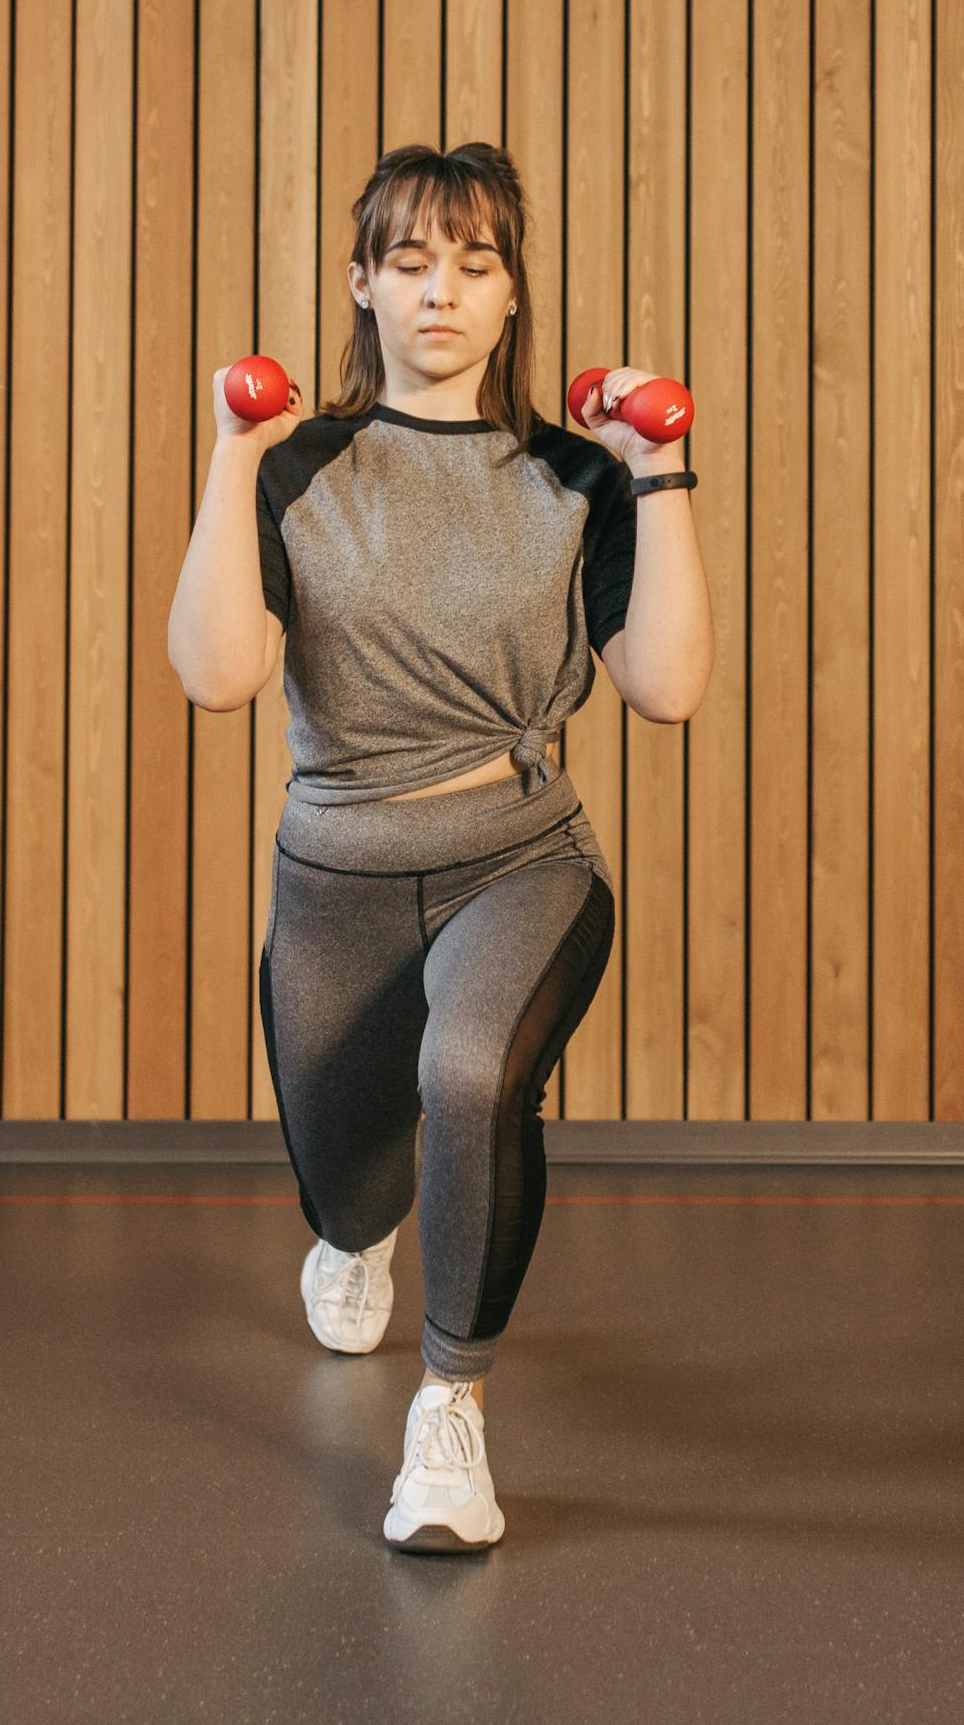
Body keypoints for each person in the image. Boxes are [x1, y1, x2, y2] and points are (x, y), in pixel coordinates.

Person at [163, 142, 713, 1553]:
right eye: (408, 262)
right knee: (347, 1177)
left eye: (473, 263)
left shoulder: (573, 475)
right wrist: (228, 457)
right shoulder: (295, 465)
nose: (440, 292)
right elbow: (217, 674)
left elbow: (666, 687)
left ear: (512, 291)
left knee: (468, 1073)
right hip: (335, 873)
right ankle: (357, 1235)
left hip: (518, 855)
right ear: (360, 284)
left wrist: (662, 476)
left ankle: (450, 1416)